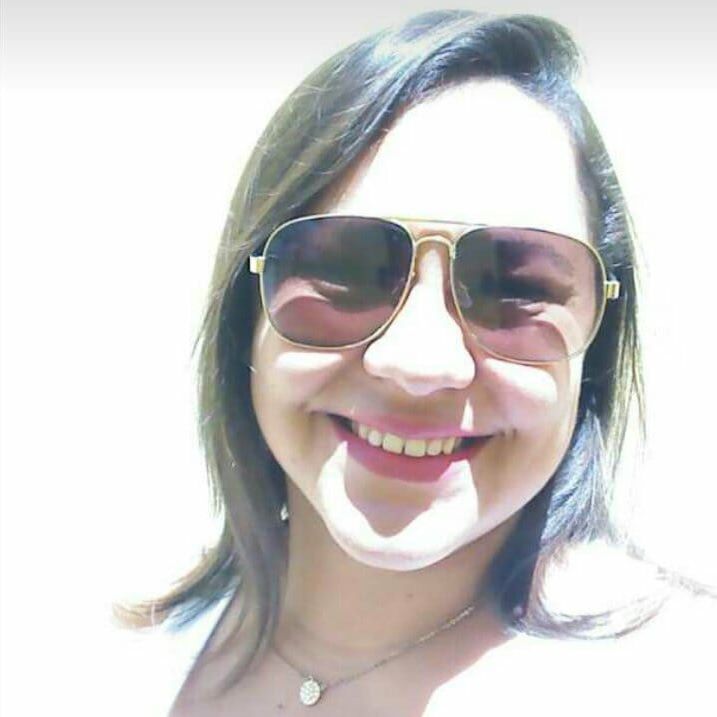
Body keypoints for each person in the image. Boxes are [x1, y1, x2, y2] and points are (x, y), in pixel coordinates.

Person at [115, 10, 715, 715]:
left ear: (598, 336)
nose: (419, 363)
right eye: (345, 271)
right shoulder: (99, 659)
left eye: (513, 289)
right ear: (247, 310)